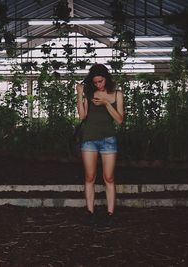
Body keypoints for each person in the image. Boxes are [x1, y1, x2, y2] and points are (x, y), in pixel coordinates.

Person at [76, 63, 124, 226]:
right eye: (95, 82)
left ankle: (111, 214)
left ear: (106, 79)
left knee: (108, 178)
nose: (98, 85)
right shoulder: (90, 93)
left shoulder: (117, 94)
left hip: (108, 140)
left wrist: (105, 103)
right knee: (90, 177)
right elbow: (82, 117)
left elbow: (119, 120)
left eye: (101, 81)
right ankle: (90, 212)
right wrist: (80, 94)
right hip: (89, 139)